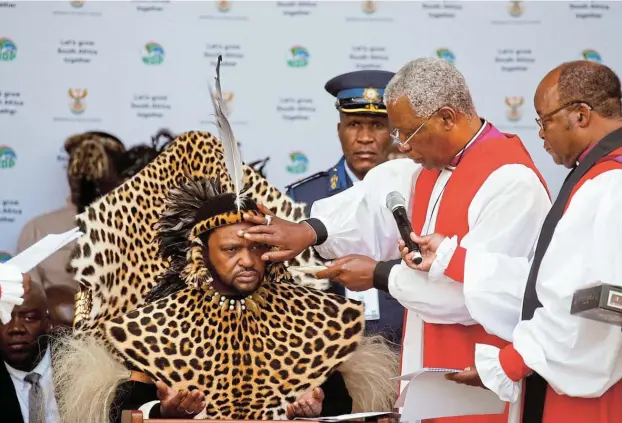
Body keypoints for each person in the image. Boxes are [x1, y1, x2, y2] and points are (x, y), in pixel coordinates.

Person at [239, 57, 552, 423]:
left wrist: (381, 275)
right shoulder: (434, 166)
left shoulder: (510, 181)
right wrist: (310, 230)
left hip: (478, 382)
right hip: (432, 375)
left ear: (447, 118)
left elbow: (482, 293)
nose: (401, 146)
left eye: (407, 132)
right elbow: (374, 203)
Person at [52, 177, 398, 423]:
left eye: (258, 247)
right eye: (232, 249)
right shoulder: (158, 324)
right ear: (201, 255)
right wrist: (165, 412)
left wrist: (317, 411)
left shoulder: (314, 319)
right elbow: (127, 413)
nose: (248, 260)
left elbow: (342, 406)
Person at [440, 61, 622, 423]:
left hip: (591, 399)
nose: (540, 133)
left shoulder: (608, 185)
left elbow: (602, 304)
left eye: (544, 120)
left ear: (581, 116)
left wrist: (510, 363)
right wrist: (449, 258)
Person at [286, 70, 404, 345]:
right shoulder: (303, 197)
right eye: (354, 124)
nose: (365, 138)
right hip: (328, 351)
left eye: (377, 125)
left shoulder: (417, 193)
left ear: (395, 132)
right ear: (339, 130)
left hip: (404, 349)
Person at [17, 131, 127, 326]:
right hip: (57, 343)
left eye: (95, 165)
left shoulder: (138, 228)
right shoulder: (38, 229)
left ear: (118, 174)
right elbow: (28, 303)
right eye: (76, 164)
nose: (82, 175)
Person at [0, 281, 58, 423]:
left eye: (29, 317)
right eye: (3, 318)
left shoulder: (83, 364)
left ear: (48, 323)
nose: (15, 328)